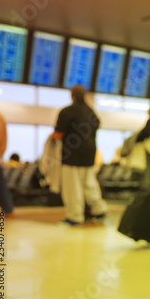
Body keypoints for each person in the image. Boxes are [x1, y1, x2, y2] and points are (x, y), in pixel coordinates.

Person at [53, 85, 108, 225]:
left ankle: (75, 216)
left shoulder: (67, 111)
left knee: (72, 187)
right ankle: (99, 209)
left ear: (72, 96)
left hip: (72, 155)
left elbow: (58, 134)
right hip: (89, 154)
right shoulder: (92, 113)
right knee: (89, 184)